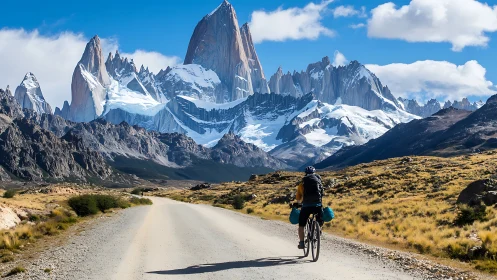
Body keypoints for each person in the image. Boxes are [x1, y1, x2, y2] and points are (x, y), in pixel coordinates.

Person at [295, 166, 324, 249]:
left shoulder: (302, 184)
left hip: (306, 206)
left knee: (301, 225)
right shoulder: (318, 182)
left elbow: (298, 198)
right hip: (317, 205)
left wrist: (299, 203)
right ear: (314, 173)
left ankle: (302, 243)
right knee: (320, 219)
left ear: (305, 173)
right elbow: (322, 194)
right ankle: (318, 230)